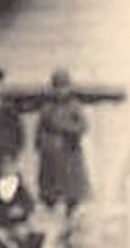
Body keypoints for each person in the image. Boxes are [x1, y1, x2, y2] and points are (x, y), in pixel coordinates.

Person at [35, 68, 91, 214]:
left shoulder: (74, 106)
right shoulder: (47, 108)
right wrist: (43, 145)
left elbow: (83, 126)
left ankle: (71, 217)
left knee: (72, 195)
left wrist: (63, 126)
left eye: (64, 87)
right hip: (51, 158)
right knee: (50, 193)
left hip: (70, 155)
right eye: (57, 87)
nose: (61, 91)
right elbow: (40, 132)